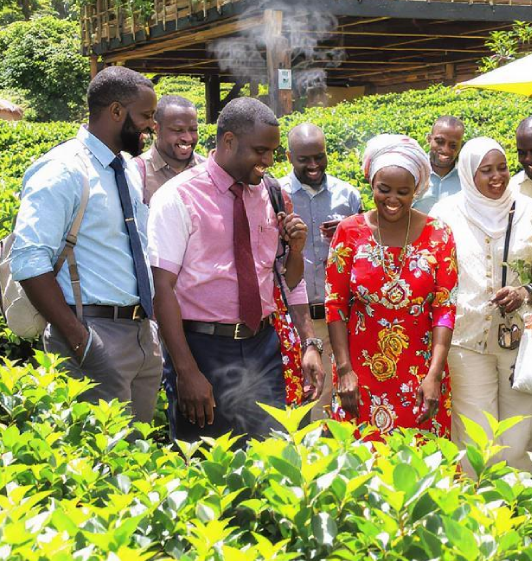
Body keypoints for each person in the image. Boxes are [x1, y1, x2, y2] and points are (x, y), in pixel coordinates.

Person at [148, 97, 323, 442]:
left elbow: (287, 282)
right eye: (260, 151)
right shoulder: (178, 197)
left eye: (272, 151)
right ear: (228, 141)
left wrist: (309, 342)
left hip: (262, 348)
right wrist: (187, 371)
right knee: (206, 466)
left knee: (271, 462)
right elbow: (161, 289)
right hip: (202, 349)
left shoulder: (272, 194)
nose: (268, 161)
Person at [9, 66, 163, 423]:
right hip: (92, 334)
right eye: (146, 116)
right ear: (116, 112)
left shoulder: (125, 167)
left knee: (139, 465)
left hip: (140, 334)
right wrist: (81, 341)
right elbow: (29, 261)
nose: (152, 126)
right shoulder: (62, 169)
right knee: (100, 466)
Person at [325, 134, 457, 439]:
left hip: (421, 373)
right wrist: (344, 370)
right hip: (359, 374)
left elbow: (445, 309)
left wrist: (434, 375)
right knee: (360, 468)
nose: (392, 199)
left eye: (404, 191)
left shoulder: (439, 234)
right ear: (371, 184)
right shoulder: (349, 232)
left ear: (417, 190)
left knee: (421, 470)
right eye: (383, 190)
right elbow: (335, 305)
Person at [432, 137, 532, 471]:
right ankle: (478, 518)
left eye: (502, 168)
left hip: (521, 341)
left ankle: (521, 517)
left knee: (522, 435)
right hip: (465, 342)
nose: (497, 177)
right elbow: (436, 279)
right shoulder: (445, 215)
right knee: (474, 438)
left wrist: (524, 293)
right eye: (486, 170)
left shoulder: (530, 211)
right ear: (469, 174)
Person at [281, 123, 362, 420]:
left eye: (320, 157)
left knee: (334, 408)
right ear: (289, 157)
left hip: (338, 321)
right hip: (295, 320)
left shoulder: (348, 196)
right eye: (305, 160)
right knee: (298, 404)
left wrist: (347, 234)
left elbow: (365, 255)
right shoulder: (277, 195)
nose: (314, 165)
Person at [135, 95, 205, 204]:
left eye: (193, 130)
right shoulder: (137, 172)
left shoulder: (206, 170)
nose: (188, 138)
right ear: (156, 128)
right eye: (178, 130)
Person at [414, 116, 464, 214]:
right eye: (439, 142)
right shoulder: (414, 172)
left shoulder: (466, 177)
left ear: (460, 146)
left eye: (453, 145)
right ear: (429, 139)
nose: (445, 150)